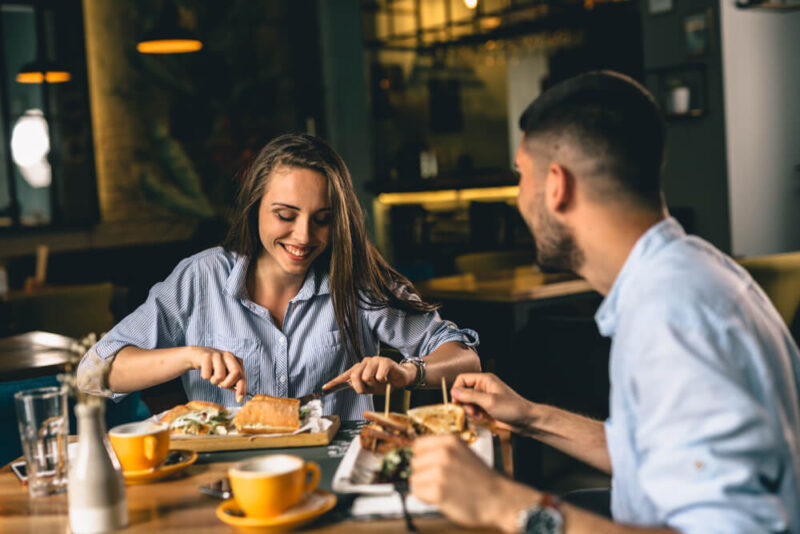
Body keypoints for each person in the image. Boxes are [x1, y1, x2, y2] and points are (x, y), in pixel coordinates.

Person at [410, 71, 800, 534]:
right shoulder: (691, 272)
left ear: (557, 186)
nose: (519, 199)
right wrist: (531, 416)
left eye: (522, 176)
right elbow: (652, 453)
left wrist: (502, 502)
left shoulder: (671, 315)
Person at [78, 134, 480, 419]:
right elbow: (92, 374)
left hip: (335, 479)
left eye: (322, 220)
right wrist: (189, 355)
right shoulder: (200, 278)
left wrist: (408, 372)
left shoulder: (354, 280)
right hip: (226, 481)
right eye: (285, 216)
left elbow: (465, 361)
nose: (303, 237)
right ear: (255, 207)